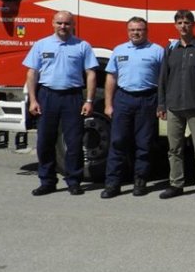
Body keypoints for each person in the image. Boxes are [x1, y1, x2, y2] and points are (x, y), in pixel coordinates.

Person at [23, 11, 98, 196]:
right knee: (45, 142)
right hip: (47, 96)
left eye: (66, 23)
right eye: (59, 23)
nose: (63, 26)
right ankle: (47, 181)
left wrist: (89, 100)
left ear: (73, 25)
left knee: (73, 142)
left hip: (72, 97)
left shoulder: (82, 46)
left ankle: (74, 181)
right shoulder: (41, 45)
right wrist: (33, 99)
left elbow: (91, 74)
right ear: (52, 24)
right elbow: (32, 73)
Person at [100, 17, 164, 198]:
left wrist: (161, 103)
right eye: (132, 30)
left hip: (148, 98)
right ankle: (112, 184)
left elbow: (162, 80)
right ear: (128, 31)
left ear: (146, 31)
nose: (136, 33)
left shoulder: (157, 51)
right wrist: (108, 104)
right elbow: (111, 78)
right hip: (123, 98)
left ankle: (140, 182)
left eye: (140, 29)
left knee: (144, 144)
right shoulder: (119, 50)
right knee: (118, 142)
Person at [156, 10, 195, 200]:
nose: (183, 26)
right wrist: (161, 104)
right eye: (179, 22)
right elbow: (163, 78)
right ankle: (176, 184)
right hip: (173, 106)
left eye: (187, 22)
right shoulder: (170, 48)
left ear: (193, 24)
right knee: (174, 148)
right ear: (175, 25)